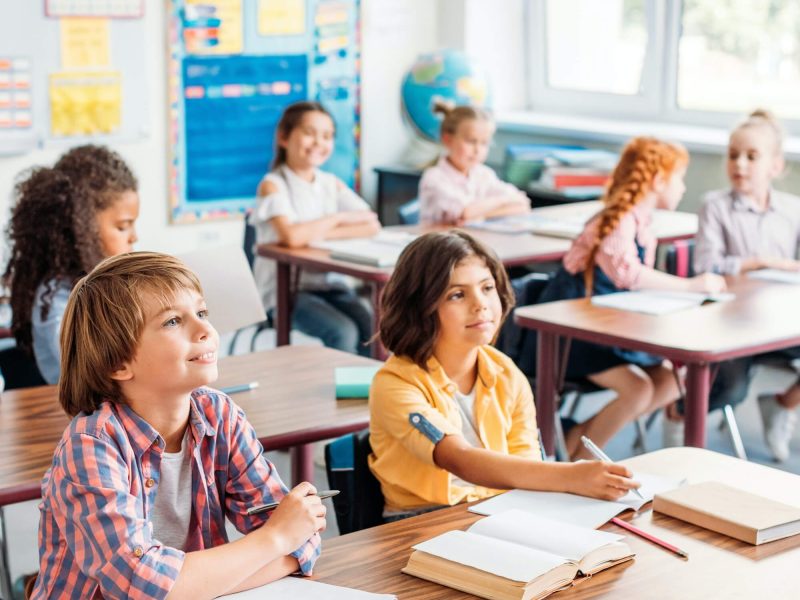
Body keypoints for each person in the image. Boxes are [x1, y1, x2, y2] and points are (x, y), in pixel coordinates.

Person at [31, 252, 324, 599]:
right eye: (172, 321)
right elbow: (143, 586)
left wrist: (196, 583)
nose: (205, 330)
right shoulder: (90, 445)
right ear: (118, 363)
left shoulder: (220, 415)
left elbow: (303, 541)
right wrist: (274, 539)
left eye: (201, 313)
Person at [368, 231, 640, 518]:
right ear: (420, 308)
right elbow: (457, 458)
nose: (480, 304)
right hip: (421, 519)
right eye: (457, 295)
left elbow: (526, 467)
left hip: (497, 507)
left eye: (487, 288)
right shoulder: (395, 383)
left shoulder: (506, 374)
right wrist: (572, 475)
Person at [537, 137, 726, 458]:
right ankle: (584, 455)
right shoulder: (617, 220)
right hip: (576, 335)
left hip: (615, 329)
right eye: (679, 178)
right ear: (658, 180)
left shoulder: (643, 222)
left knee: (670, 380)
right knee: (638, 389)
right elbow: (629, 275)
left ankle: (581, 437)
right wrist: (692, 286)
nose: (682, 187)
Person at [694, 109, 800, 462]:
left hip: (781, 323)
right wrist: (761, 262)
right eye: (733, 154)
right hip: (731, 325)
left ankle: (782, 406)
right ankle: (678, 419)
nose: (739, 163)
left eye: (751, 157)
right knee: (729, 389)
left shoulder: (792, 210)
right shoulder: (715, 206)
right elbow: (706, 266)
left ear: (775, 165)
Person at [250, 101, 380, 356]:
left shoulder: (330, 183)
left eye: (327, 136)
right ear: (284, 137)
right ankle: (340, 395)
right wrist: (337, 218)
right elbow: (292, 236)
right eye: (310, 133)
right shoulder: (272, 185)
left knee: (373, 329)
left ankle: (369, 393)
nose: (319, 143)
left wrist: (314, 232)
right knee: (343, 332)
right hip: (286, 292)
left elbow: (370, 223)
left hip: (330, 285)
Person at [3, 145, 140, 384]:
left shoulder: (102, 283)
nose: (134, 237)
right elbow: (94, 373)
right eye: (122, 226)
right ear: (82, 228)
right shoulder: (54, 299)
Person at [419, 101, 530, 225]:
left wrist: (481, 215)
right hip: (440, 243)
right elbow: (465, 212)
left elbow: (522, 204)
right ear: (447, 139)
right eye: (471, 141)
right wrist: (503, 201)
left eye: (484, 143)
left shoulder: (483, 174)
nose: (478, 150)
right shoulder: (434, 178)